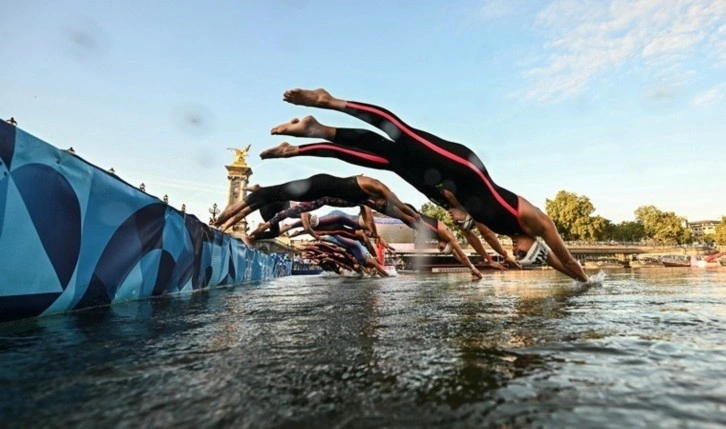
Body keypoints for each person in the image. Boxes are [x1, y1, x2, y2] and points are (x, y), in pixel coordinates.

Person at [265, 87, 589, 283]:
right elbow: (564, 256)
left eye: (519, 258)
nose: (515, 256)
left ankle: (315, 132)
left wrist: (582, 284)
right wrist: (582, 273)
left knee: (384, 157)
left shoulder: (510, 235)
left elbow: (554, 262)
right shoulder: (534, 221)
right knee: (401, 134)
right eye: (522, 255)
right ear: (531, 245)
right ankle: (329, 101)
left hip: (440, 189)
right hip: (463, 168)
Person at [212, 173, 420, 233]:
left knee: (266, 198)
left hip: (315, 197)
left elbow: (396, 211)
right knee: (256, 200)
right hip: (318, 185)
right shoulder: (373, 186)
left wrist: (411, 220)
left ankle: (223, 225)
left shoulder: (370, 202)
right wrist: (408, 212)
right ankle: (219, 222)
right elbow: (394, 199)